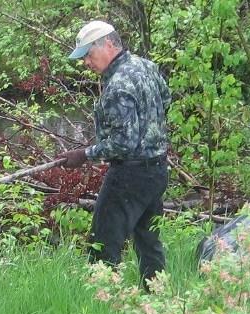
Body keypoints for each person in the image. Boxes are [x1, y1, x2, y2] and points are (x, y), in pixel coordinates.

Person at [57, 20, 171, 286]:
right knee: (149, 241)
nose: (86, 62)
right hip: (157, 170)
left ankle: (101, 305)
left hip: (129, 176)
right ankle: (156, 299)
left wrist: (84, 154)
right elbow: (165, 100)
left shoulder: (118, 85)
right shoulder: (146, 66)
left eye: (88, 54)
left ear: (108, 44)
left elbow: (122, 143)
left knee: (103, 243)